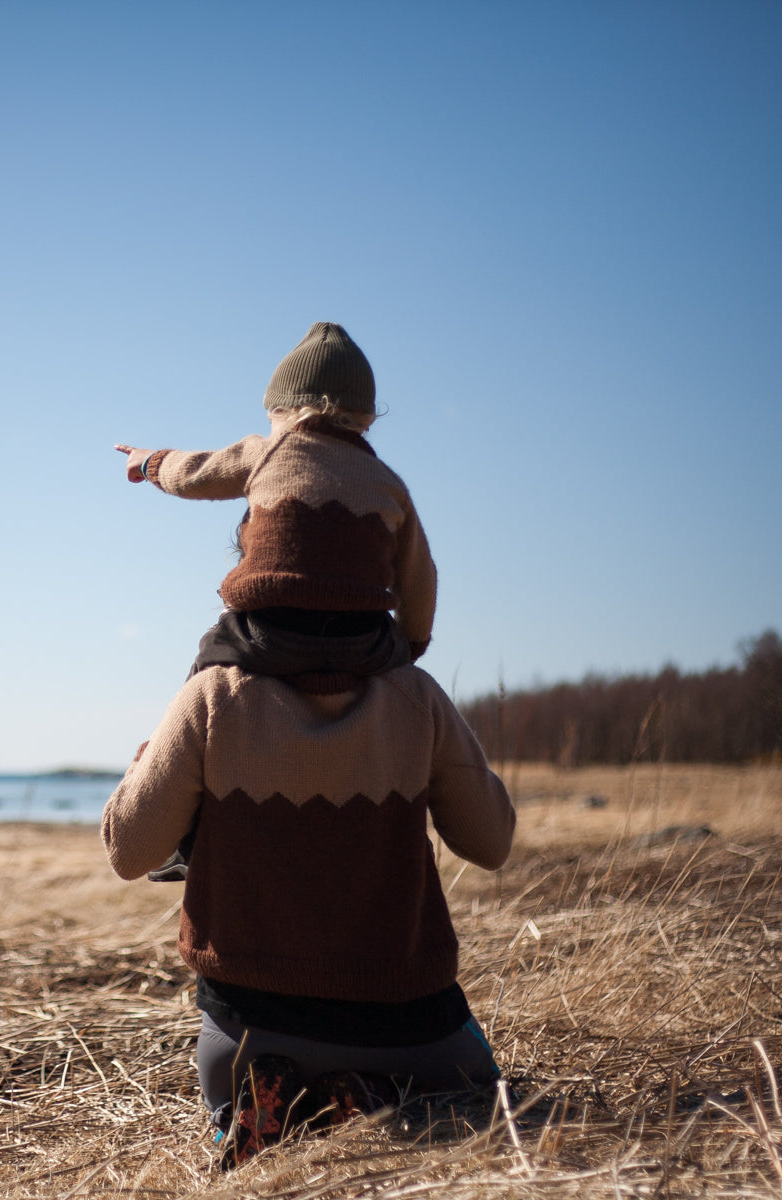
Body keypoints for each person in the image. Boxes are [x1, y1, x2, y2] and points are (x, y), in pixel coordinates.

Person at [101, 659, 515, 1168]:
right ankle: (371, 1100)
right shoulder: (415, 696)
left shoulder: (212, 693)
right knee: (475, 1088)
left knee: (227, 1094)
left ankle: (243, 1116)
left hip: (245, 1040)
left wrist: (146, 761)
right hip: (412, 1036)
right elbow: (492, 842)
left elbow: (129, 850)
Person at [115, 321, 438, 881]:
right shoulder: (388, 483)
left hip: (268, 629)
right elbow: (420, 574)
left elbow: (197, 472)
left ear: (289, 410)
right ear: (365, 417)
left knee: (206, 670)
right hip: (365, 639)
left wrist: (148, 462)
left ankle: (184, 838)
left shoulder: (267, 452)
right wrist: (409, 645)